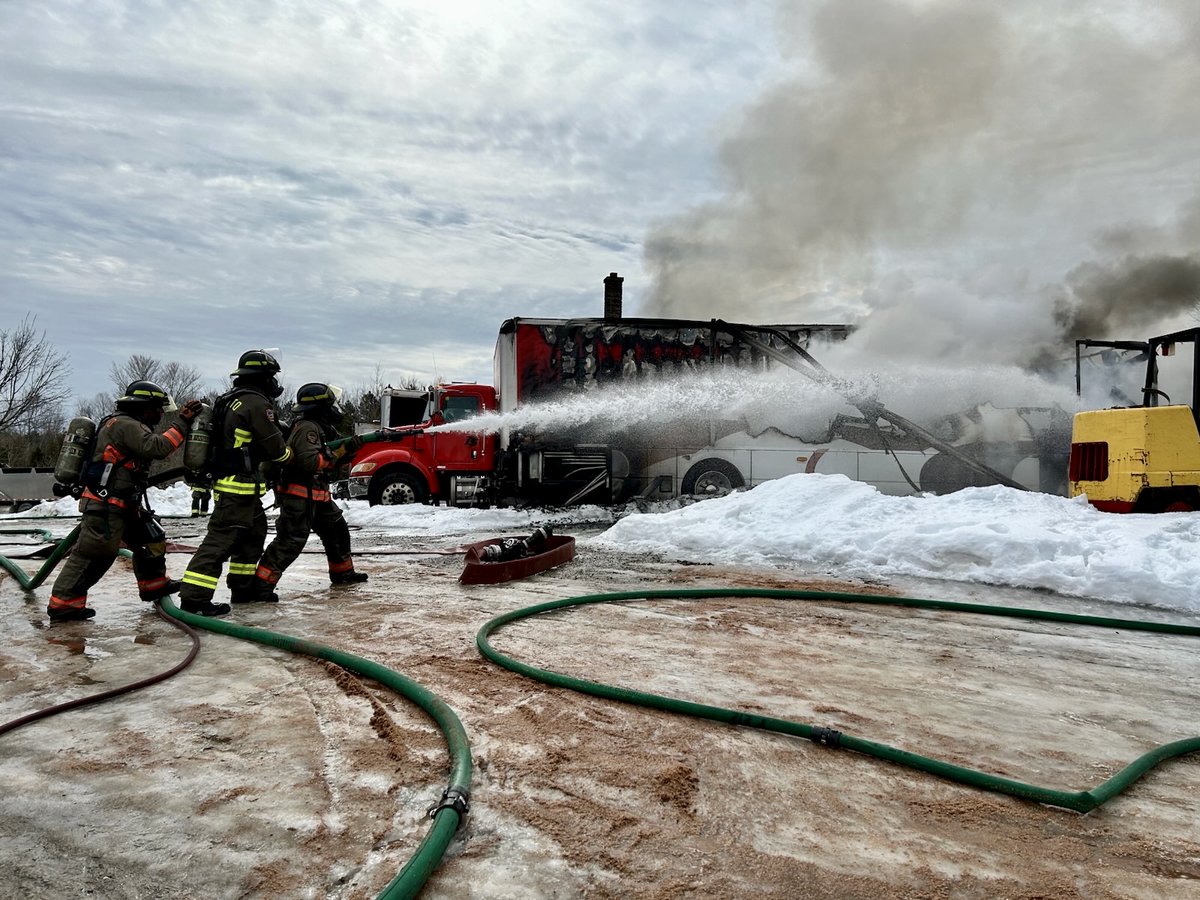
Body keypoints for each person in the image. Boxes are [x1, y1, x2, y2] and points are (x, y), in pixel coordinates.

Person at [46, 382, 204, 622]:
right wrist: (181, 421)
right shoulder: (125, 425)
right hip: (106, 505)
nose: (160, 414)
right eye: (157, 409)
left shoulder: (125, 424)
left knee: (151, 538)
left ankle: (154, 585)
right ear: (144, 407)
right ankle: (64, 604)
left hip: (124, 504)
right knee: (94, 554)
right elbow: (159, 447)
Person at [178, 350, 293, 616]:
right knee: (221, 541)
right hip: (236, 487)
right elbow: (275, 447)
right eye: (272, 377)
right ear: (263, 378)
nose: (275, 383)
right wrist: (289, 455)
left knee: (253, 535)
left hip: (242, 488)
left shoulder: (230, 400)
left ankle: (243, 589)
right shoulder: (255, 403)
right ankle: (194, 598)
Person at [247, 383, 368, 602]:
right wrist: (335, 455)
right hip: (299, 497)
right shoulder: (307, 428)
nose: (335, 408)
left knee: (337, 532)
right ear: (321, 407)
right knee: (291, 541)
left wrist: (348, 452)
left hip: (317, 496)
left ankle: (343, 573)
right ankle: (261, 586)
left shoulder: (320, 427)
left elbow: (328, 459)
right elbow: (308, 461)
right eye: (331, 404)